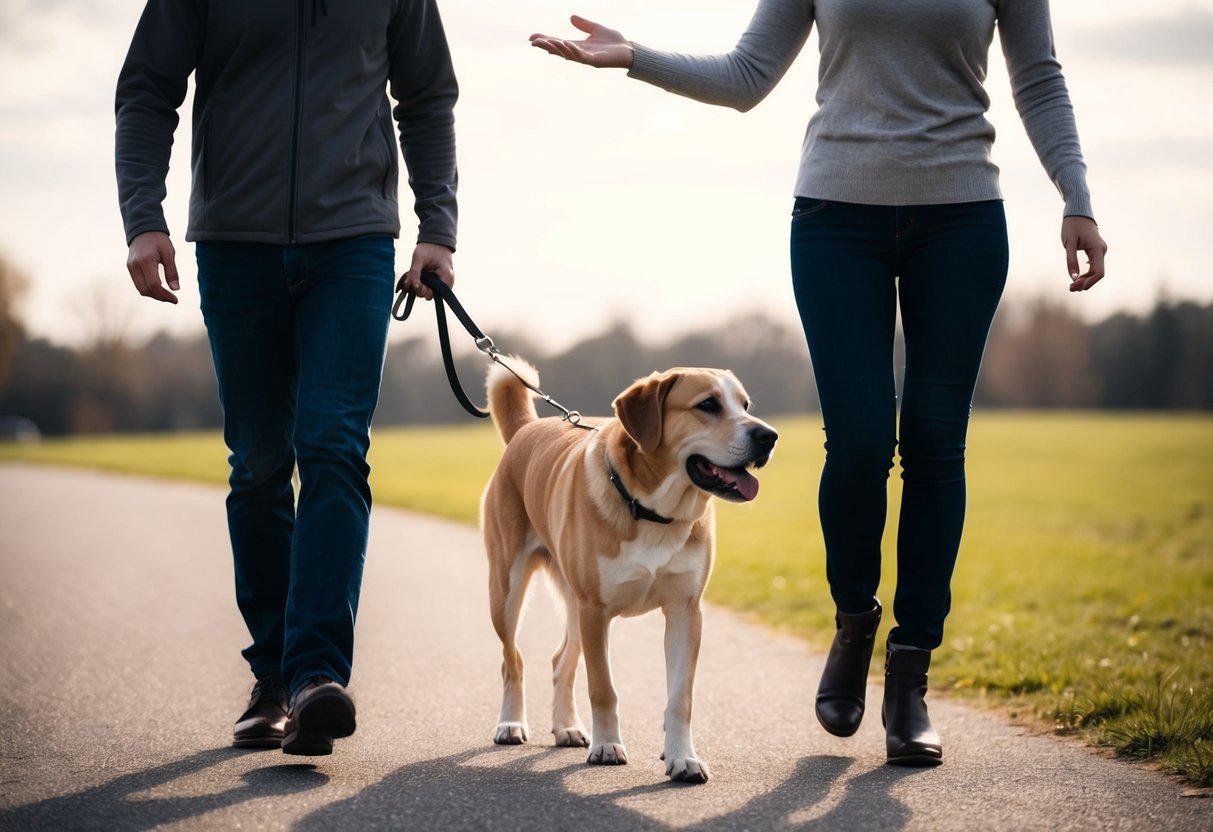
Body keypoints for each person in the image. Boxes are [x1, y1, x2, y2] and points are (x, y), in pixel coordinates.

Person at [529, 1, 1107, 766]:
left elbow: (1038, 79)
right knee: (861, 440)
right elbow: (745, 76)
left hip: (961, 217)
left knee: (935, 444)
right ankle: (852, 623)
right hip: (837, 217)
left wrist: (1076, 195)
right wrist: (634, 55)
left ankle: (909, 674)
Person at [115, 0, 459, 756]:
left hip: (355, 241)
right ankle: (273, 676)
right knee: (261, 463)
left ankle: (313, 678)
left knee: (333, 445)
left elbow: (427, 95)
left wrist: (437, 227)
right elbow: (146, 91)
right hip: (235, 244)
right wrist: (143, 217)